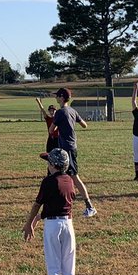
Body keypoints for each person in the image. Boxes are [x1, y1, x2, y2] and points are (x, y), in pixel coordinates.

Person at [23, 147, 81, 275]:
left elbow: (37, 205)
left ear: (53, 165)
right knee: (68, 266)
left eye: (49, 162)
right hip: (67, 224)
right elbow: (59, 205)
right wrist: (38, 219)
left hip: (52, 227)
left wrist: (29, 223)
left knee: (54, 265)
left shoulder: (47, 182)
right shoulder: (69, 180)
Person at [52, 88, 97, 218]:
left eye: (57, 96)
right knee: (64, 177)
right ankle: (63, 204)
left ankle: (90, 206)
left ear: (61, 97)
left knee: (74, 177)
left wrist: (59, 123)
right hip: (72, 146)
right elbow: (84, 125)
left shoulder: (60, 112)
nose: (55, 98)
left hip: (66, 149)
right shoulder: (72, 110)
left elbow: (51, 130)